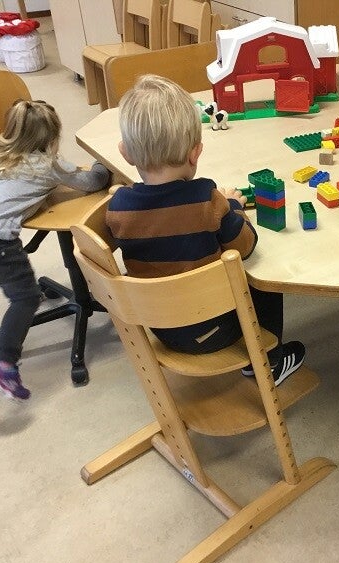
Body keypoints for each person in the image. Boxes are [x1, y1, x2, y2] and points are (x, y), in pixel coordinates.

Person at [106, 74, 305, 386]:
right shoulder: (207, 200)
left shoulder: (118, 208)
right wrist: (234, 207)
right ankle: (269, 362)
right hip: (218, 328)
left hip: (159, 326)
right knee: (265, 282)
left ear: (125, 153)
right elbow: (245, 246)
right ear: (195, 153)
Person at [0, 99, 110, 400]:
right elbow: (91, 181)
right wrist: (103, 162)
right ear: (52, 137)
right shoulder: (46, 165)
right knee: (26, 296)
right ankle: (3, 364)